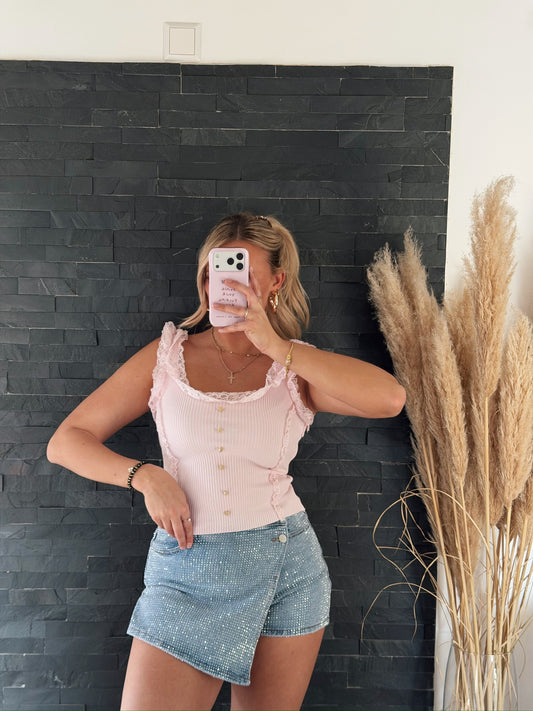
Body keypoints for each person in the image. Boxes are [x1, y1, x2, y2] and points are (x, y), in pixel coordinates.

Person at [47, 212, 406, 711]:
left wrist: (277, 346)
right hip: (186, 569)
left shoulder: (294, 367)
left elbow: (390, 399)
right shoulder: (166, 357)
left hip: (286, 565)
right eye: (217, 270)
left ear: (276, 281)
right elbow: (66, 441)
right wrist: (143, 475)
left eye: (244, 272)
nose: (227, 284)